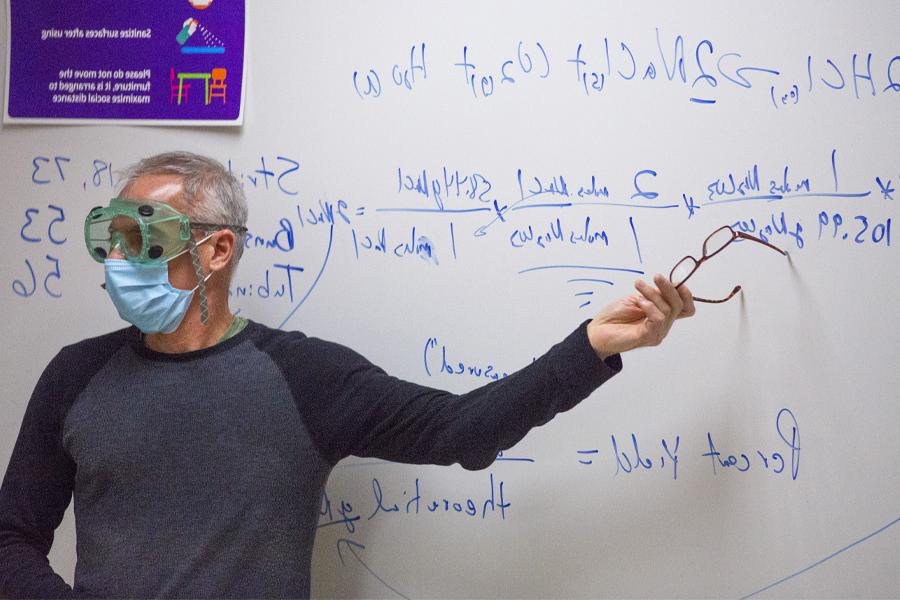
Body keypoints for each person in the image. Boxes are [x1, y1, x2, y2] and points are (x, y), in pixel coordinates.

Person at [0, 152, 695, 598]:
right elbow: (11, 538)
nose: (120, 260)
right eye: (110, 238)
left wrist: (589, 346)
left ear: (217, 250)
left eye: (142, 237)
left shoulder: (304, 377)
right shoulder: (76, 376)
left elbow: (461, 429)